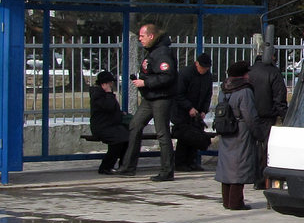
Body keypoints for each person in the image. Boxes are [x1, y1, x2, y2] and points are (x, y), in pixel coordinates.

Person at [117, 23, 179, 181]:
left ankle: (167, 171)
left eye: (142, 36)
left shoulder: (162, 52)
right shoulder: (153, 51)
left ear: (151, 36)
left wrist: (145, 83)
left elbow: (167, 76)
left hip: (161, 98)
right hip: (150, 97)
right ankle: (128, 167)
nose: (140, 39)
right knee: (135, 125)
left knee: (162, 133)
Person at [215, 60, 259, 210]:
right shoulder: (245, 91)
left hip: (225, 130)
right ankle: (236, 202)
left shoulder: (223, 89)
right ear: (244, 74)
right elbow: (250, 115)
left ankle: (226, 200)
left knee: (226, 166)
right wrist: (258, 133)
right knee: (239, 166)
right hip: (241, 131)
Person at [248, 35, 288, 190]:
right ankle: (262, 179)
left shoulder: (250, 71)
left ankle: (252, 176)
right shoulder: (274, 72)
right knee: (265, 149)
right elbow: (280, 99)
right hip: (267, 116)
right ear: (272, 56)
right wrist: (286, 117)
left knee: (252, 147)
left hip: (250, 115)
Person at [173, 52, 214, 171]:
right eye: (202, 67)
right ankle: (180, 163)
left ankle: (192, 162)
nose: (204, 70)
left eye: (206, 68)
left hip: (197, 113)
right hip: (182, 112)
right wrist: (189, 107)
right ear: (197, 64)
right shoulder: (185, 74)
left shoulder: (208, 76)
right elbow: (179, 94)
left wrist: (203, 111)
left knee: (195, 136)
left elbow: (208, 95)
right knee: (185, 138)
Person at [88, 71, 128, 174]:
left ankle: (124, 165)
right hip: (102, 127)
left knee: (127, 137)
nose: (112, 85)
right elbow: (109, 107)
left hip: (110, 126)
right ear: (104, 84)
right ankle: (105, 167)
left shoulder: (103, 94)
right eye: (110, 83)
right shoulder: (98, 94)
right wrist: (109, 93)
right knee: (118, 140)